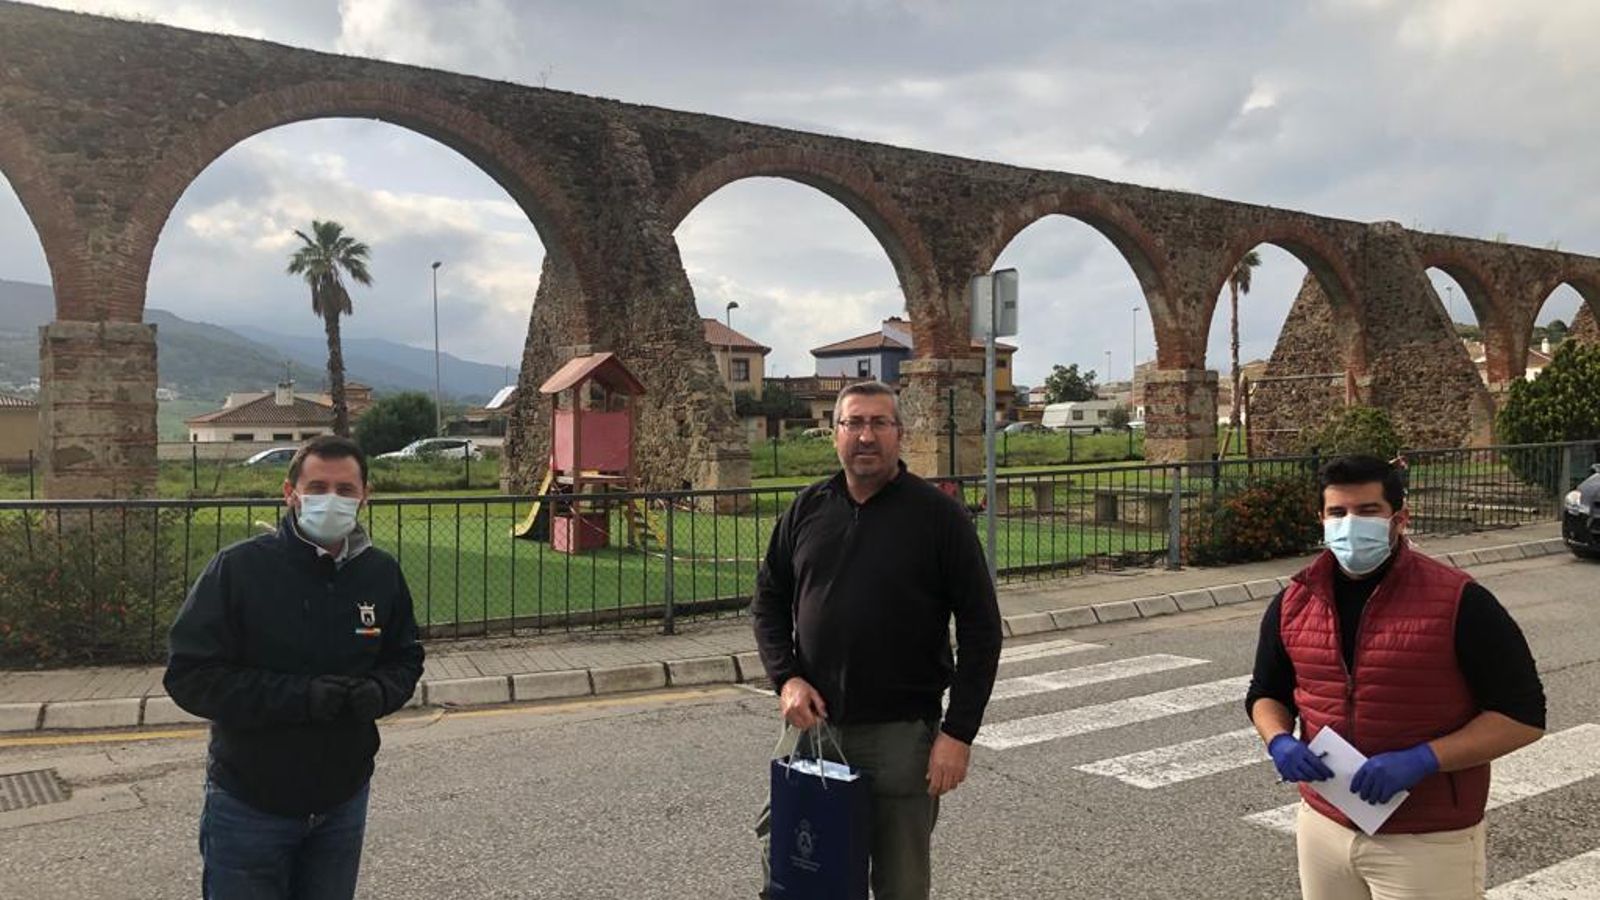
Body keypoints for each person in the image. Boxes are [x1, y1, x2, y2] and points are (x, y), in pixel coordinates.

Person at [1246, 454, 1545, 900]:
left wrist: (1424, 759)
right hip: (1324, 823)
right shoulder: (1294, 600)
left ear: (1399, 518)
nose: (1350, 523)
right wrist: (1278, 740)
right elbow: (1266, 692)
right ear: (1321, 520)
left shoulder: (1461, 601)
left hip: (1425, 837)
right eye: (1338, 512)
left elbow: (1523, 716)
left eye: (1368, 511)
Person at [752, 380, 1003, 900]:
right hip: (816, 730)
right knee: (802, 875)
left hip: (901, 739)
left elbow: (981, 630)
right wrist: (787, 678)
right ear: (835, 434)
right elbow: (769, 600)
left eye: (878, 424)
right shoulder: (806, 509)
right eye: (854, 423)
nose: (865, 436)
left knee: (900, 886)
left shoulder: (938, 517)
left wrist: (958, 734)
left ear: (899, 434)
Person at [165, 434, 425, 900]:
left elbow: (405, 657)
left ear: (365, 495)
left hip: (342, 801)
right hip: (251, 803)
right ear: (290, 494)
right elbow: (190, 675)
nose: (332, 500)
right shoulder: (239, 570)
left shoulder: (380, 573)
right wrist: (299, 698)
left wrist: (381, 692)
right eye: (318, 487)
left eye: (345, 490)